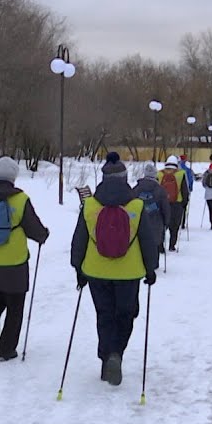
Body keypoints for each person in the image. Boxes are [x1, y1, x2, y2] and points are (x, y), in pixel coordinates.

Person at [70, 153, 159, 386]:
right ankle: (116, 354)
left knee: (104, 315)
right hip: (129, 273)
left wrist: (78, 268)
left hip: (96, 270)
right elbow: (147, 241)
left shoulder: (90, 206)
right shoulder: (136, 206)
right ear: (125, 178)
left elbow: (79, 239)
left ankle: (105, 357)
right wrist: (151, 269)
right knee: (126, 314)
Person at [0, 156, 49, 361]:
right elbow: (33, 228)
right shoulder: (20, 199)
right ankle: (6, 349)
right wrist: (43, 235)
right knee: (15, 306)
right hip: (14, 263)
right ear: (14, 176)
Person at [132, 161, 171, 253]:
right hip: (156, 223)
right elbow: (165, 208)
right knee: (155, 245)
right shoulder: (161, 190)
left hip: (139, 223)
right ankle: (154, 264)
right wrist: (166, 222)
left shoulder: (135, 189)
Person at [157, 155, 189, 251]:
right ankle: (172, 245)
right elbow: (184, 190)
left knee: (162, 224)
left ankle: (160, 245)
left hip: (162, 203)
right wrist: (185, 203)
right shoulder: (181, 174)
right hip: (177, 203)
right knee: (174, 225)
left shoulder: (159, 174)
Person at [178, 152, 195, 230]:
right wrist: (190, 188)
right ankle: (183, 223)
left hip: (174, 191)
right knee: (184, 207)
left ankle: (175, 222)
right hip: (185, 190)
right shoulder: (187, 170)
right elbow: (191, 180)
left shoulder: (175, 169)